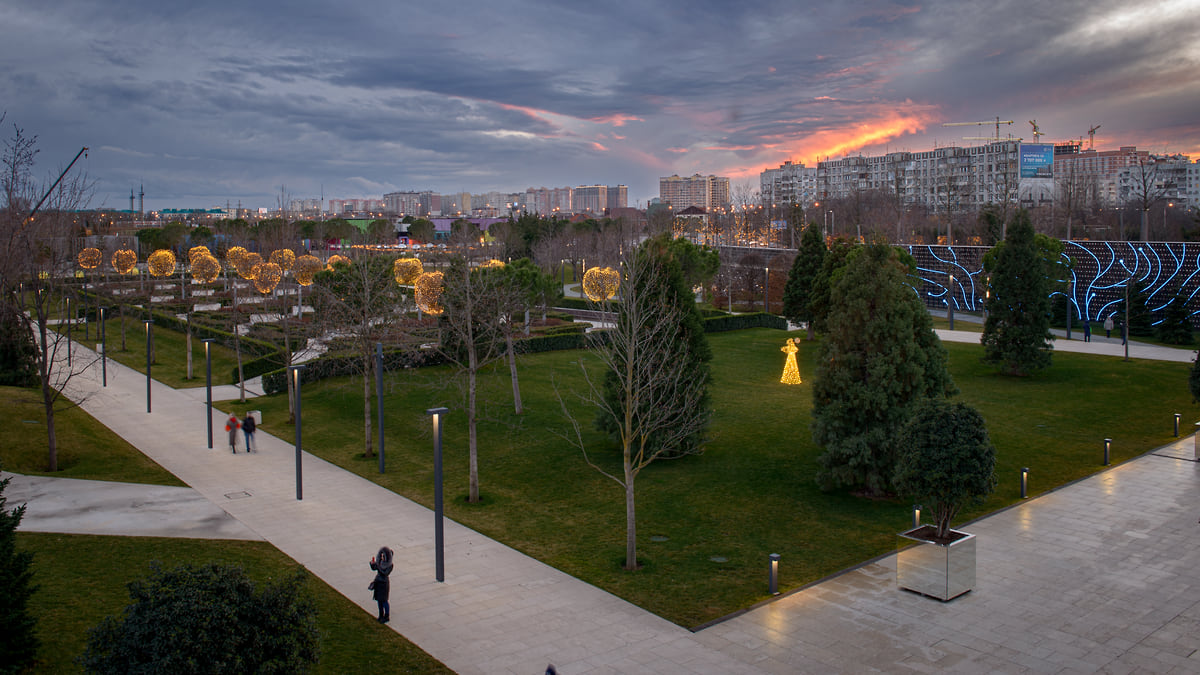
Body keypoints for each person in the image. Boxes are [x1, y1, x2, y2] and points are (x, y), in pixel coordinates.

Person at [369, 546, 394, 623]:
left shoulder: (390, 565)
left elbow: (384, 573)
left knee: (384, 600)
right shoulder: (380, 562)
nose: (382, 557)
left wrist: (378, 566)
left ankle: (386, 616)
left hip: (384, 583)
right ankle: (381, 615)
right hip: (378, 582)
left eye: (384, 556)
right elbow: (374, 568)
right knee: (379, 600)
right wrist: (372, 564)